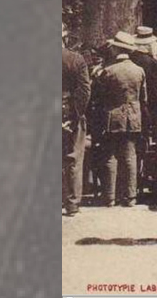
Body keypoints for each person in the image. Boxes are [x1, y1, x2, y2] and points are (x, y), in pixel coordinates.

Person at [90, 34, 148, 207]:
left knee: (110, 156)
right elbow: (144, 98)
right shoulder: (139, 70)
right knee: (130, 155)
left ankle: (110, 197)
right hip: (133, 116)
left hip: (112, 116)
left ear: (116, 49)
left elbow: (99, 97)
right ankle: (130, 197)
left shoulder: (108, 71)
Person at [62, 44, 91, 216]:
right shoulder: (76, 59)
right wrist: (76, 113)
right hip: (69, 109)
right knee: (73, 157)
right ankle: (72, 203)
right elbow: (85, 90)